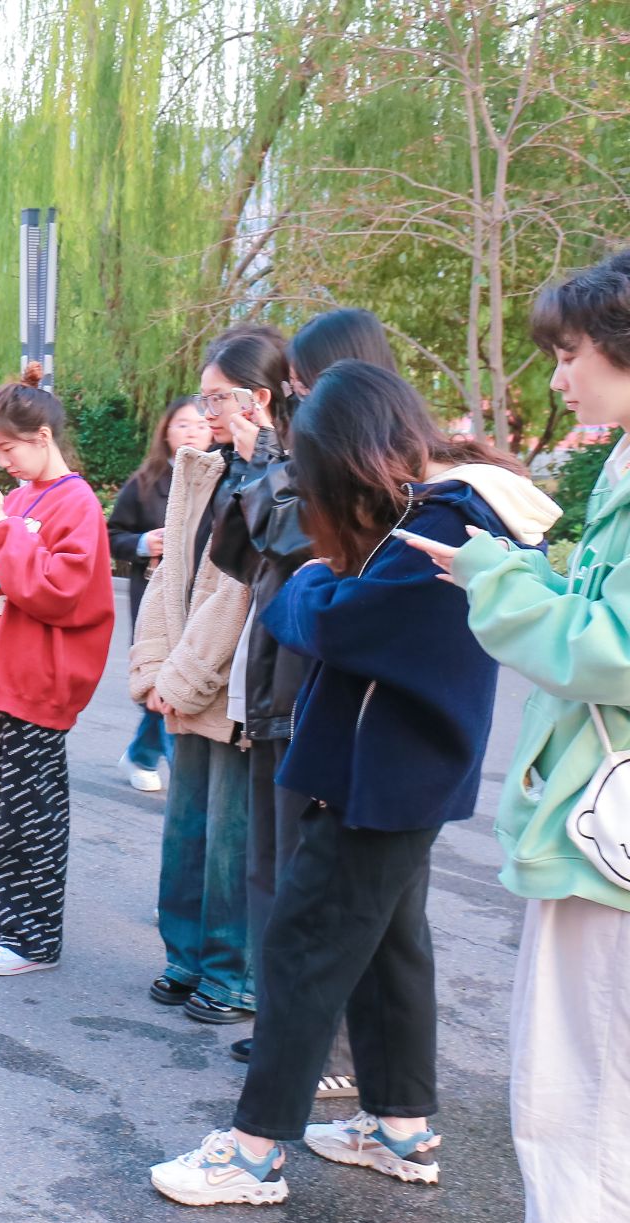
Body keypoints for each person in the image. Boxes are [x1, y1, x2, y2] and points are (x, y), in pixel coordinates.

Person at [150, 363, 552, 1223]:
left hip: (377, 774)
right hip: (404, 770)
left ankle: (253, 1149)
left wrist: (308, 585)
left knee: (303, 945)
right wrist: (323, 589)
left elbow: (327, 618)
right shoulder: (458, 508)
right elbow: (340, 609)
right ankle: (401, 1127)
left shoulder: (441, 526)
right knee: (388, 948)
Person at [428, 250, 630, 1223]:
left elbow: (609, 648)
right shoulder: (620, 463)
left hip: (608, 831)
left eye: (571, 352)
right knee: (567, 1064)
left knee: (586, 1075)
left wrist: (497, 580)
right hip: (594, 816)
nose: (557, 376)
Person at [215, 308, 400, 1089]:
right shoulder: (290, 457)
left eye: (301, 384)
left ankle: (330, 1052)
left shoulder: (382, 470)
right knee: (270, 872)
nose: (292, 398)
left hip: (322, 697)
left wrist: (270, 465)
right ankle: (284, 1027)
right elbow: (237, 552)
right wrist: (255, 466)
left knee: (316, 884)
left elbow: (303, 545)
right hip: (271, 681)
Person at [130, 327, 283, 1026]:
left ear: (259, 398)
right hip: (184, 673)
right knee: (186, 828)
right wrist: (155, 673)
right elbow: (172, 578)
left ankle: (231, 974)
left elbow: (238, 591)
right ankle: (185, 955)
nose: (205, 411)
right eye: (204, 397)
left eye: (217, 398)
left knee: (230, 837)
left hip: (238, 681)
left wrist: (181, 678)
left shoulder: (278, 478)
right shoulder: (204, 470)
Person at [0, 365, 114, 974]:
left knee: (30, 815)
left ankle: (34, 939)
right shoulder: (15, 498)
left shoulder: (77, 502)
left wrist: (4, 528)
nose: (3, 460)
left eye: (9, 448)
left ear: (43, 437)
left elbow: (59, 591)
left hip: (36, 684)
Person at [106, 399, 206, 790]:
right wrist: (142, 543)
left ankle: (141, 754)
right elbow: (112, 535)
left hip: (202, 599)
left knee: (174, 682)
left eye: (201, 424)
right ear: (166, 432)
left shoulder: (225, 477)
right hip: (155, 598)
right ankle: (186, 782)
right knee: (163, 680)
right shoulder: (145, 483)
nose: (193, 431)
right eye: (183, 424)